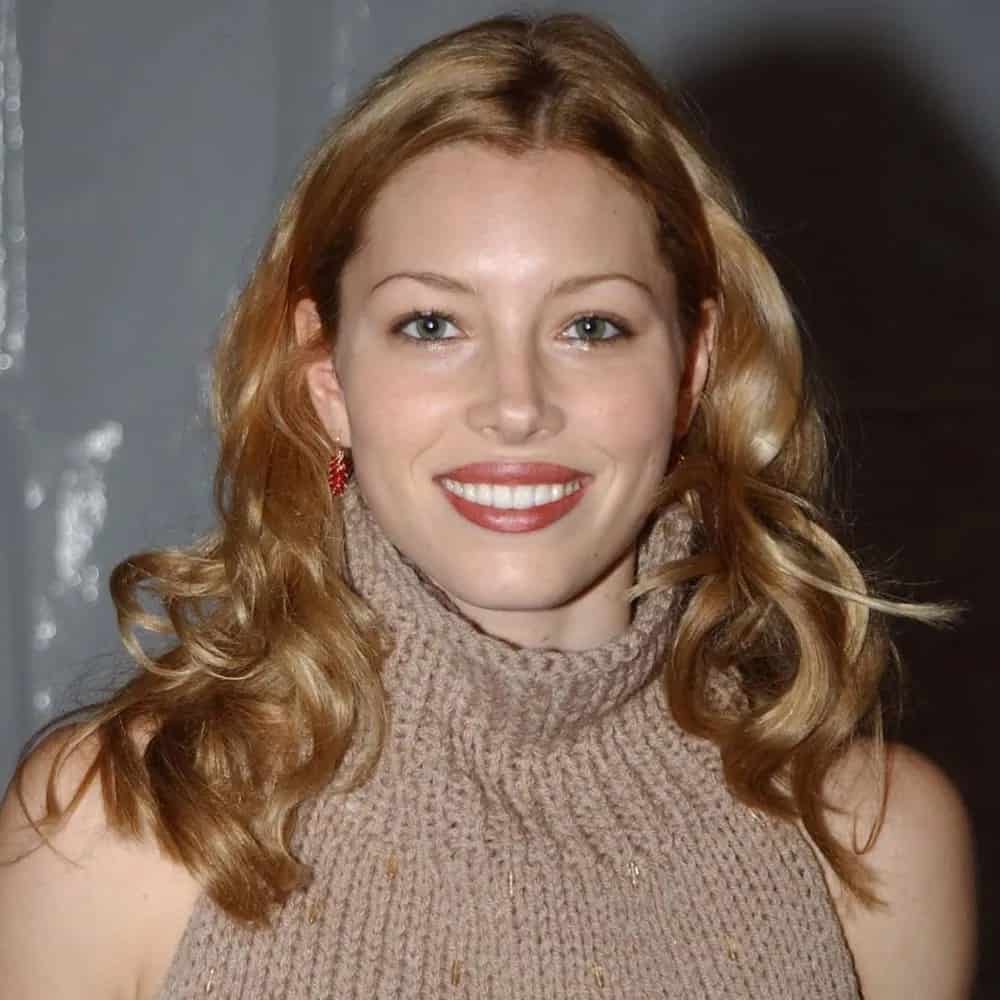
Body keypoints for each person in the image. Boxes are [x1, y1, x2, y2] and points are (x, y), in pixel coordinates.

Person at [0, 12, 976, 999]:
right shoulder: (119, 827)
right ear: (325, 377)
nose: (515, 405)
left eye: (590, 326)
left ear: (692, 368)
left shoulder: (874, 849)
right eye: (432, 324)